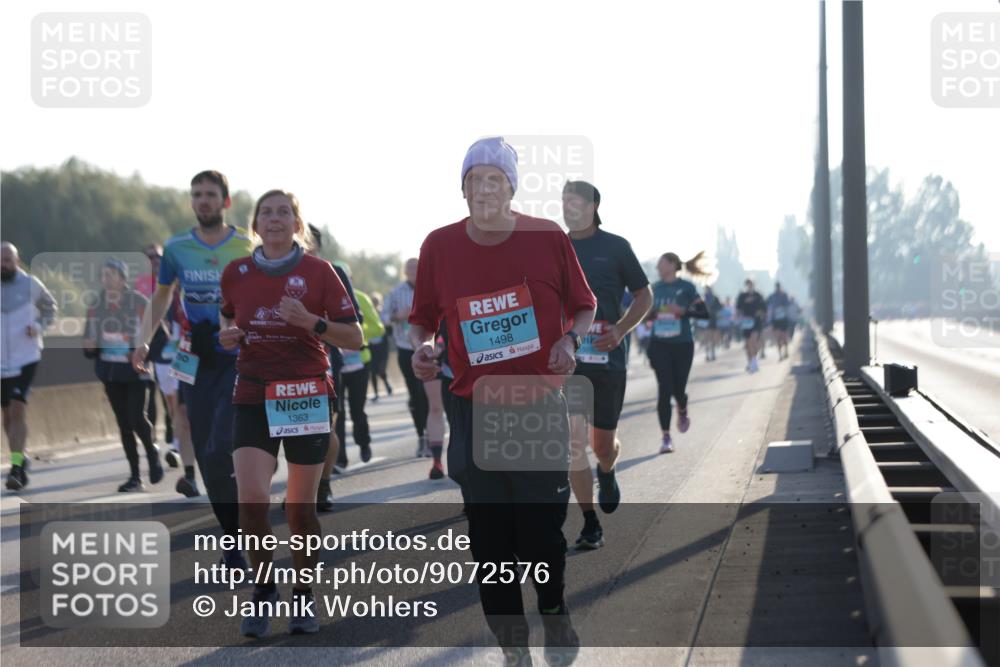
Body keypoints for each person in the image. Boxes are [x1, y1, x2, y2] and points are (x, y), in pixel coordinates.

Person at [409, 137, 596, 665]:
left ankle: (554, 610)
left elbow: (583, 305)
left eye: (496, 179)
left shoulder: (547, 237)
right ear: (463, 188)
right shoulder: (439, 246)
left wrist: (568, 341)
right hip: (475, 408)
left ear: (512, 188)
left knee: (539, 535)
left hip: (537, 401)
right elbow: (423, 317)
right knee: (490, 543)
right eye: (476, 179)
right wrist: (424, 346)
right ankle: (514, 649)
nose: (485, 187)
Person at [219, 189, 361, 637]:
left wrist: (312, 323)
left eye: (284, 212)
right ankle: (263, 593)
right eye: (266, 212)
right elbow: (227, 318)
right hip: (253, 393)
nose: (275, 218)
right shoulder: (235, 272)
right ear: (254, 224)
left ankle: (303, 594)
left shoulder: (321, 272)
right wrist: (228, 335)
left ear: (297, 223)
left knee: (300, 510)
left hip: (305, 393)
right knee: (252, 503)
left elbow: (354, 337)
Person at [132, 170, 252, 567]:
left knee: (224, 438)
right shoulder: (177, 248)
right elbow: (162, 296)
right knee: (206, 449)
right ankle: (233, 537)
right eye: (197, 194)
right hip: (194, 355)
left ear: (225, 201)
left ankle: (250, 514)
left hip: (239, 355)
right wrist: (144, 340)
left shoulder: (246, 245)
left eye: (210, 194)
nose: (203, 201)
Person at [561, 180, 652, 551]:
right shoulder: (556, 247)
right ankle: (589, 522)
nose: (568, 207)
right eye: (563, 202)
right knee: (573, 443)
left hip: (608, 359)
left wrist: (620, 329)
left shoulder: (615, 247)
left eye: (575, 201)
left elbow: (644, 295)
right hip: (568, 361)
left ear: (593, 205)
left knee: (602, 445)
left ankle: (608, 470)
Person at [84, 259, 164, 492]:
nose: (106, 279)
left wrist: (141, 354)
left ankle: (152, 451)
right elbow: (89, 341)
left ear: (122, 278)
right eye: (104, 275)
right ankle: (135, 477)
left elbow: (160, 338)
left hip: (136, 372)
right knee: (124, 425)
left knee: (136, 418)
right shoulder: (96, 305)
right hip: (111, 372)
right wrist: (89, 346)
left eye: (111, 274)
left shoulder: (139, 302)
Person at [2, 242, 57, 491]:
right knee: (6, 416)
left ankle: (14, 468)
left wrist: (39, 327)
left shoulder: (31, 284)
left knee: (17, 410)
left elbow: (51, 307)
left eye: (8, 260)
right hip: (1, 361)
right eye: (0, 261)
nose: (4, 265)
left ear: (17, 260)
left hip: (26, 357)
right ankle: (20, 456)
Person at [646, 252, 710, 454]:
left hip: (682, 344)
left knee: (678, 388)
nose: (657, 267)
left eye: (661, 263)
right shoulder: (654, 289)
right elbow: (645, 314)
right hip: (659, 344)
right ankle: (666, 437)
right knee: (664, 388)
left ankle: (682, 406)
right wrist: (654, 313)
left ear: (672, 265)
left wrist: (683, 311)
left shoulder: (687, 288)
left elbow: (704, 314)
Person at [383, 258, 430, 457]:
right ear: (404, 271)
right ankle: (422, 436)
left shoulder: (430, 288)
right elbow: (383, 316)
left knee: (427, 393)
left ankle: (432, 433)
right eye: (409, 267)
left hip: (428, 349)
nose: (413, 270)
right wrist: (397, 317)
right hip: (404, 348)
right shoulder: (395, 292)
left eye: (416, 267)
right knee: (414, 394)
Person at [332, 260, 373, 468]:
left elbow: (378, 328)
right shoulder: (321, 295)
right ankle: (340, 458)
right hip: (335, 366)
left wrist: (357, 333)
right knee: (337, 413)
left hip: (358, 364)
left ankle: (364, 442)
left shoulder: (361, 299)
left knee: (357, 411)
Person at [736, 278, 767, 373]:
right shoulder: (742, 296)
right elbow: (738, 308)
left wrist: (761, 313)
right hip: (746, 322)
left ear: (754, 285)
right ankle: (751, 362)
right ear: (746, 285)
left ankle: (754, 362)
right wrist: (739, 316)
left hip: (756, 321)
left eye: (751, 284)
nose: (749, 286)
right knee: (748, 344)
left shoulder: (758, 296)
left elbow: (764, 309)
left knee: (754, 341)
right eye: (748, 284)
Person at [367, 291, 392, 400]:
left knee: (381, 370)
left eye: (376, 301)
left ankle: (387, 385)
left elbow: (390, 330)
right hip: (371, 346)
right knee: (372, 371)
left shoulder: (383, 314)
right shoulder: (367, 314)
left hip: (382, 347)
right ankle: (376, 394)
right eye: (372, 301)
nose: (374, 303)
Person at [767, 282, 792, 361]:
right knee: (777, 338)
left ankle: (786, 351)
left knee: (784, 337)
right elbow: (767, 304)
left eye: (778, 287)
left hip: (784, 319)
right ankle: (780, 355)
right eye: (777, 287)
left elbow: (788, 304)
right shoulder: (772, 296)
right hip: (776, 320)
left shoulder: (784, 295)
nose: (777, 288)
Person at [702, 286, 722, 362]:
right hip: (704, 320)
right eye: (706, 289)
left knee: (712, 337)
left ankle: (713, 353)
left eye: (709, 289)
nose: (708, 291)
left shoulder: (715, 298)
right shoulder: (702, 298)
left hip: (713, 319)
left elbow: (720, 307)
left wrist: (714, 310)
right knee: (707, 337)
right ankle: (707, 354)